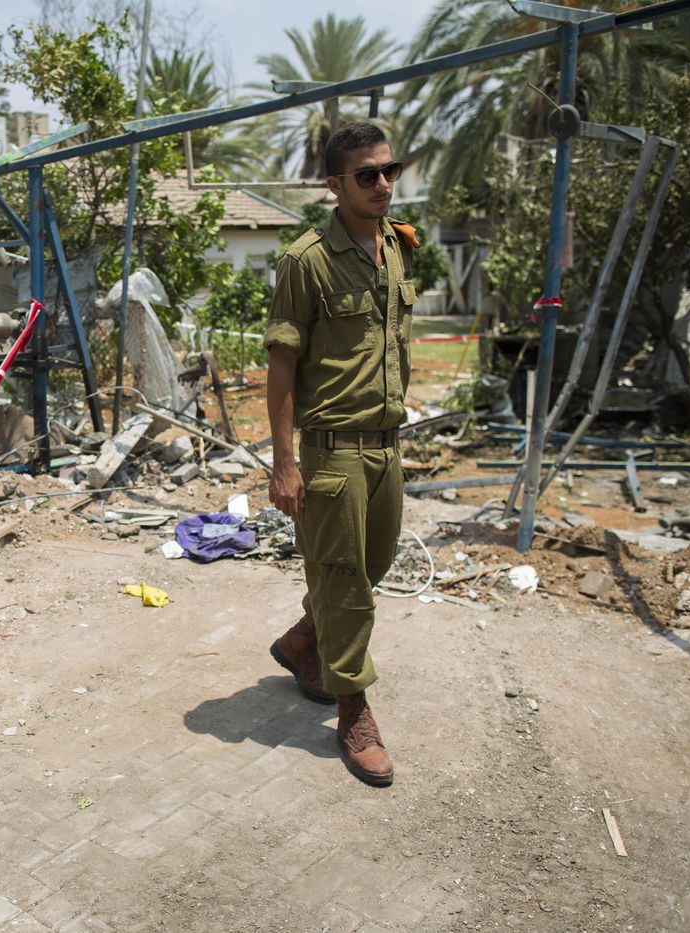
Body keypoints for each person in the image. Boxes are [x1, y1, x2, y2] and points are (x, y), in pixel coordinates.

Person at [262, 122, 418, 787]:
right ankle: (354, 711)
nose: (383, 184)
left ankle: (303, 640)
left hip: (386, 446)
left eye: (390, 170)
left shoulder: (397, 247)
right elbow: (282, 364)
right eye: (367, 175)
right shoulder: (307, 261)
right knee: (347, 586)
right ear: (334, 185)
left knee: (368, 566)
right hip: (332, 453)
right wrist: (284, 463)